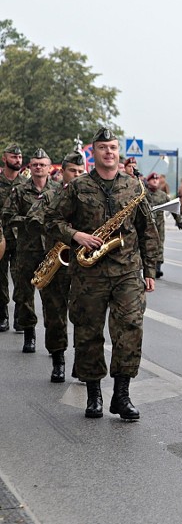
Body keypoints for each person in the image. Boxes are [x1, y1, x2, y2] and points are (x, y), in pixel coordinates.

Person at [45, 127, 158, 420]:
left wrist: (150, 269)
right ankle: (93, 394)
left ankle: (122, 395)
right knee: (88, 332)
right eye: (103, 147)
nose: (109, 152)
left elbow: (148, 229)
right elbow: (51, 220)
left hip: (127, 270)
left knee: (131, 328)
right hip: (89, 273)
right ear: (92, 152)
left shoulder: (134, 187)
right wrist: (76, 235)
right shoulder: (78, 187)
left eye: (113, 147)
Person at [26, 151, 86, 382]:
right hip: (57, 261)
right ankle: (58, 360)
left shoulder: (90, 197)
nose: (77, 175)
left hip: (83, 264)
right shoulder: (51, 195)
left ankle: (81, 364)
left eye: (81, 172)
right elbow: (34, 220)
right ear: (62, 172)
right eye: (73, 171)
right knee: (54, 315)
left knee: (84, 316)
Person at [2, 149, 60, 353]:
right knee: (24, 295)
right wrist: (28, 222)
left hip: (51, 251)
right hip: (26, 250)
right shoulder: (19, 190)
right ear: (30, 166)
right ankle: (29, 334)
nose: (38, 167)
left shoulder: (58, 190)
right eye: (35, 164)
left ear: (49, 167)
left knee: (51, 299)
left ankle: (53, 342)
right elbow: (7, 215)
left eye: (42, 164)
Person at [0, 143, 25, 332]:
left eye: (19, 157)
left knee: (20, 278)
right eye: (13, 157)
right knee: (0, 278)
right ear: (5, 158)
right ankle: (2, 315)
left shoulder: (26, 184)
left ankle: (19, 316)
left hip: (20, 239)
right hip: (1, 238)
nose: (17, 160)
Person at [146, 173, 182, 279]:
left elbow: (172, 208)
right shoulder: (143, 194)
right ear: (148, 181)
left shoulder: (162, 195)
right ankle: (146, 268)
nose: (155, 181)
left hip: (159, 224)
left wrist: (179, 221)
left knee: (159, 245)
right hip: (145, 225)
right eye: (152, 180)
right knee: (146, 246)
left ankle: (157, 268)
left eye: (157, 180)